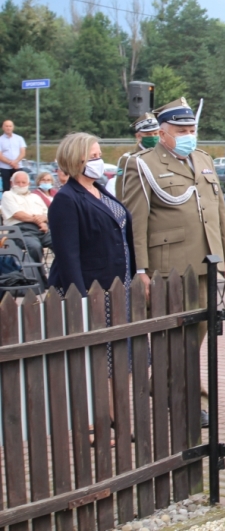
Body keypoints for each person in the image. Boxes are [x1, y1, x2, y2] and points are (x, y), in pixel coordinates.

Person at [121, 97, 225, 428]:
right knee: (175, 337)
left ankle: (169, 391)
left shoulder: (201, 159)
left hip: (206, 262)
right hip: (169, 265)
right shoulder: (142, 164)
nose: (189, 135)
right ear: (163, 133)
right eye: (182, 130)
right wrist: (140, 270)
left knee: (199, 332)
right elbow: (136, 222)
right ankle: (178, 400)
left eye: (192, 129)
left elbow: (218, 212)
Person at [48, 132, 137, 447]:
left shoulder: (100, 191)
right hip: (91, 291)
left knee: (119, 358)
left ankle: (116, 418)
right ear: (76, 160)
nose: (99, 161)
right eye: (93, 156)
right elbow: (68, 254)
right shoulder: (66, 199)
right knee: (96, 359)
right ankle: (94, 423)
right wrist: (80, 300)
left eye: (99, 155)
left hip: (119, 287)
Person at [2, 170, 52, 266]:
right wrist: (38, 221)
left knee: (62, 244)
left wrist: (44, 221)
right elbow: (17, 214)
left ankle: (60, 274)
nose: (21, 185)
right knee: (34, 247)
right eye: (18, 182)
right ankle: (38, 276)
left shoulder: (35, 197)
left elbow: (46, 214)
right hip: (21, 230)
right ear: (12, 183)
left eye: (23, 182)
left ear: (28, 183)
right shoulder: (8, 195)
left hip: (42, 229)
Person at [114, 113, 161, 201]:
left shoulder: (165, 156)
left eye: (156, 133)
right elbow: (120, 188)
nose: (153, 137)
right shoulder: (127, 160)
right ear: (138, 136)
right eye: (148, 134)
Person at [0, 120, 26, 192]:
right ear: (3, 127)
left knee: (20, 186)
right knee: (7, 188)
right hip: (5, 168)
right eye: (6, 126)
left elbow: (23, 153)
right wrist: (11, 163)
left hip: (18, 166)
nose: (8, 128)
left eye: (10, 126)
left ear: (13, 127)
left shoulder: (19, 139)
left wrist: (16, 162)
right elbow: (0, 155)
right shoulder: (0, 140)